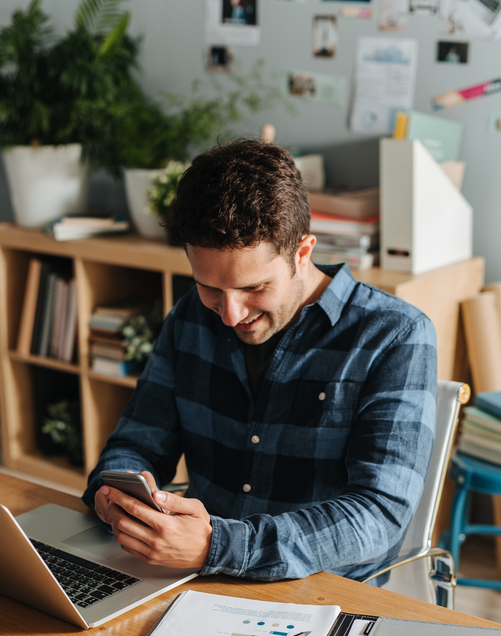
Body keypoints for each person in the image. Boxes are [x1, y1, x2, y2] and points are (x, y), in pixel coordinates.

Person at [82, 139, 437, 583]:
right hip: (190, 573)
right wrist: (116, 491)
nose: (230, 315)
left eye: (253, 288)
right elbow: (139, 439)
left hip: (321, 591)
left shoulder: (395, 335)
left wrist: (219, 545)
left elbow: (379, 516)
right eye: (210, 287)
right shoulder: (192, 315)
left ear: (302, 253)